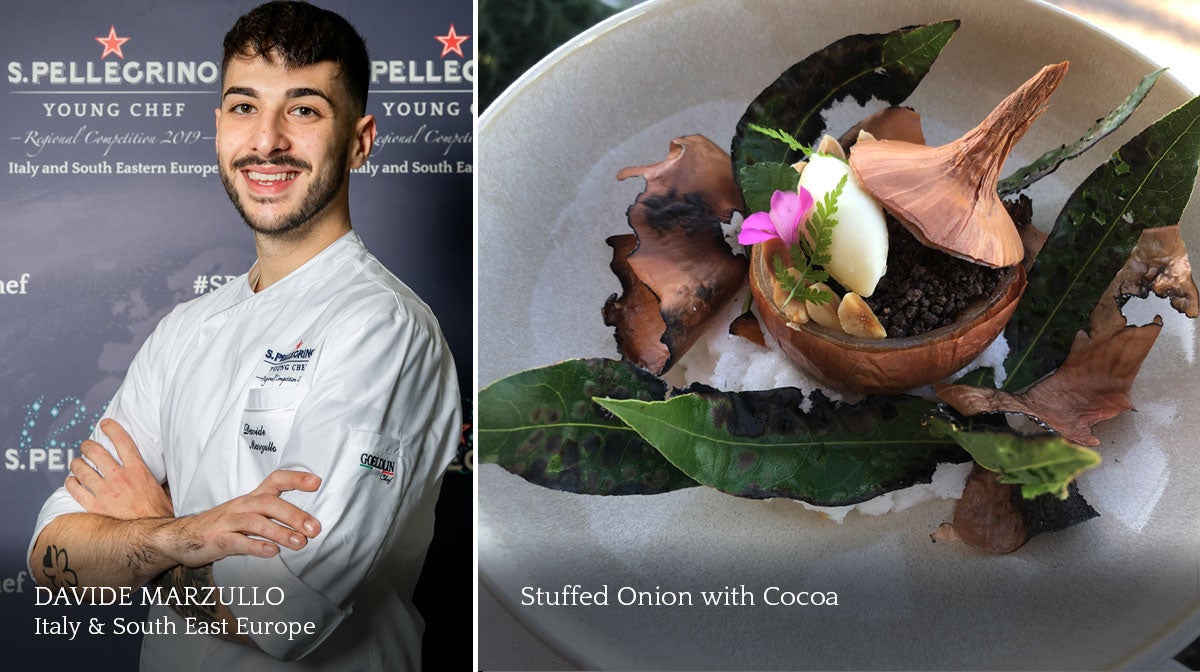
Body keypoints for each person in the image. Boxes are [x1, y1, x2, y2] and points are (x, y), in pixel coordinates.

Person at [25, 2, 461, 669]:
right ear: (219, 127)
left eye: (305, 109)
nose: (267, 141)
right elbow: (51, 553)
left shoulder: (382, 328)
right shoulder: (184, 331)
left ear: (360, 140)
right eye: (244, 107)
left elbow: (283, 614)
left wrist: (144, 536)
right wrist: (179, 535)